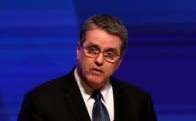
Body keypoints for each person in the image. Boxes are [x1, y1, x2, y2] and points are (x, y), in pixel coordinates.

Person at [18, 14, 157, 121]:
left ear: (119, 61)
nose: (99, 60)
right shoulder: (41, 101)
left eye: (110, 54)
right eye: (92, 50)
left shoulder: (139, 102)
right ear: (78, 50)